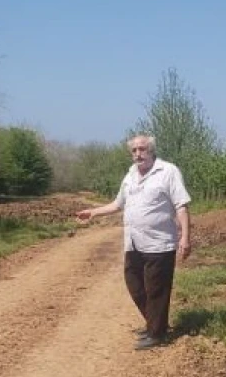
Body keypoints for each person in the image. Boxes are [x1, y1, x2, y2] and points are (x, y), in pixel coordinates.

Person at [75, 134, 192, 349]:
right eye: (134, 151)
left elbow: (181, 206)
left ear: (152, 150)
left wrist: (185, 237)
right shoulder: (130, 175)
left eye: (143, 149)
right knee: (134, 284)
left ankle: (157, 334)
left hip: (159, 243)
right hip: (134, 243)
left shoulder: (167, 171)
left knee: (156, 289)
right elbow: (117, 204)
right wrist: (93, 212)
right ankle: (155, 324)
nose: (138, 154)